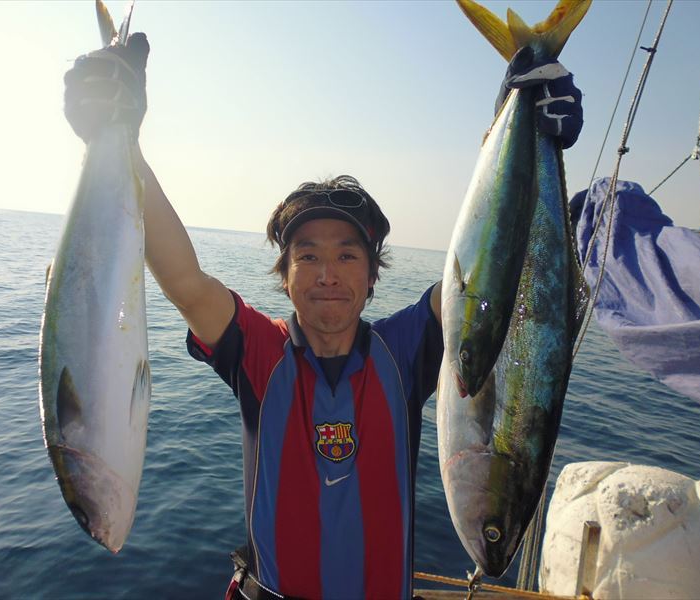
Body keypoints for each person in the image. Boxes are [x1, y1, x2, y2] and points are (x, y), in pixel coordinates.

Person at [63, 32, 582, 600]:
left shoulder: (405, 350)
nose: (327, 274)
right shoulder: (259, 352)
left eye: (347, 255)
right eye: (306, 256)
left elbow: (492, 274)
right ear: (284, 275)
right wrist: (122, 137)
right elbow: (185, 282)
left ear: (372, 274)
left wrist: (519, 115)